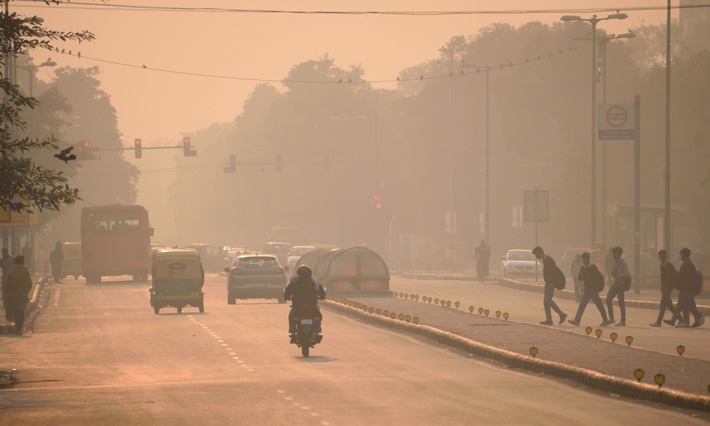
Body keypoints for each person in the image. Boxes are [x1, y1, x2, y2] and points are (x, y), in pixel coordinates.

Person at [567, 252, 613, 327]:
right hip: (587, 290)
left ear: (588, 259)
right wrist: (581, 276)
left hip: (594, 289)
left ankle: (605, 320)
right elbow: (580, 278)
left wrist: (599, 287)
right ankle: (577, 320)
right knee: (582, 305)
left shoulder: (593, 267)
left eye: (585, 258)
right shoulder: (583, 268)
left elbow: (599, 277)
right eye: (583, 259)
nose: (584, 260)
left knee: (599, 305)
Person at [283, 265, 326, 343]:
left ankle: (293, 333)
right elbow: (322, 293)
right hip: (312, 305)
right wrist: (322, 297)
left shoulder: (294, 281)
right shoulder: (314, 281)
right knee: (318, 317)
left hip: (298, 305)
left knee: (292, 316)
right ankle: (316, 332)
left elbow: (288, 291)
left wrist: (286, 297)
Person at [668, 248, 705, 328]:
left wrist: (676, 277)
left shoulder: (687, 265)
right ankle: (684, 321)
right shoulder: (687, 264)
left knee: (686, 304)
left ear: (685, 255)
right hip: (685, 288)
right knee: (683, 304)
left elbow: (685, 278)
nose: (680, 256)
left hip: (686, 288)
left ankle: (699, 315)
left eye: (681, 254)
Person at [532, 246, 567, 325]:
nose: (536, 257)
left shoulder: (548, 260)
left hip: (551, 283)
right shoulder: (545, 260)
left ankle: (561, 314)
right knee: (546, 302)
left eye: (536, 255)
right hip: (548, 282)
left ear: (540, 253)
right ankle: (549, 319)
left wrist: (551, 282)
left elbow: (553, 272)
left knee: (548, 300)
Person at [650, 250, 678, 327]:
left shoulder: (668, 265)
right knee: (669, 305)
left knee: (663, 305)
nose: (660, 257)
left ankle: (658, 322)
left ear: (665, 256)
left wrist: (667, 287)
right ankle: (681, 319)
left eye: (661, 255)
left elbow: (670, 278)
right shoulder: (662, 265)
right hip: (664, 288)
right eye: (659, 256)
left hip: (667, 288)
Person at [7, 255, 33, 335]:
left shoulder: (11, 270)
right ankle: (18, 328)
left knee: (14, 312)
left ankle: (16, 327)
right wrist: (25, 292)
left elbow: (8, 283)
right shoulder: (26, 270)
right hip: (22, 295)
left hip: (12, 295)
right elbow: (30, 283)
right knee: (20, 313)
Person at [606, 246, 631, 326]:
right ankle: (612, 318)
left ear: (619, 254)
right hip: (615, 283)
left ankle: (623, 321)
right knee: (608, 299)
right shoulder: (615, 262)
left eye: (615, 253)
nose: (613, 255)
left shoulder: (623, 262)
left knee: (621, 302)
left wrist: (618, 275)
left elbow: (627, 274)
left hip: (621, 284)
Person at [1, 247, 15, 322]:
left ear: (7, 252)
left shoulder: (12, 259)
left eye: (5, 252)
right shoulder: (1, 260)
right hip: (5, 278)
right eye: (3, 252)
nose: (4, 254)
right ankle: (5, 304)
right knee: (5, 293)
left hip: (12, 278)